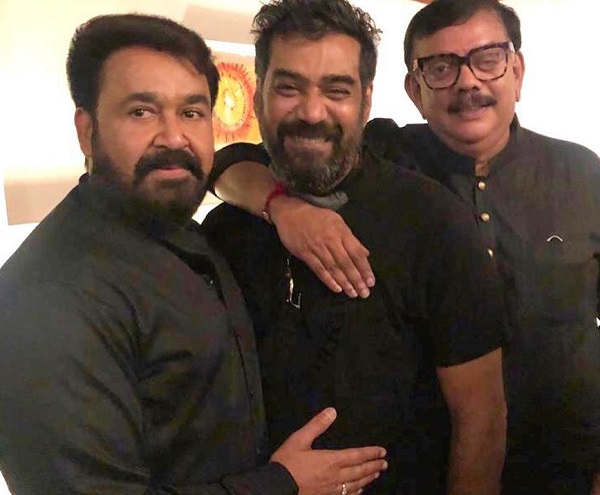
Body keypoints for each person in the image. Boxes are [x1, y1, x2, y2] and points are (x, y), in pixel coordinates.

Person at [209, 0, 600, 494]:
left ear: (517, 71)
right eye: (441, 67)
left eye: (488, 60)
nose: (468, 82)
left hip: (569, 468)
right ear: (413, 90)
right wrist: (281, 206)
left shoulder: (583, 175)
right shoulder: (382, 154)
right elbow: (229, 160)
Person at [0, 13, 390, 495]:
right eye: (141, 112)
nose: (173, 137)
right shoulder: (46, 297)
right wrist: (282, 484)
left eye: (191, 112)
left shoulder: (189, 234)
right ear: (87, 130)